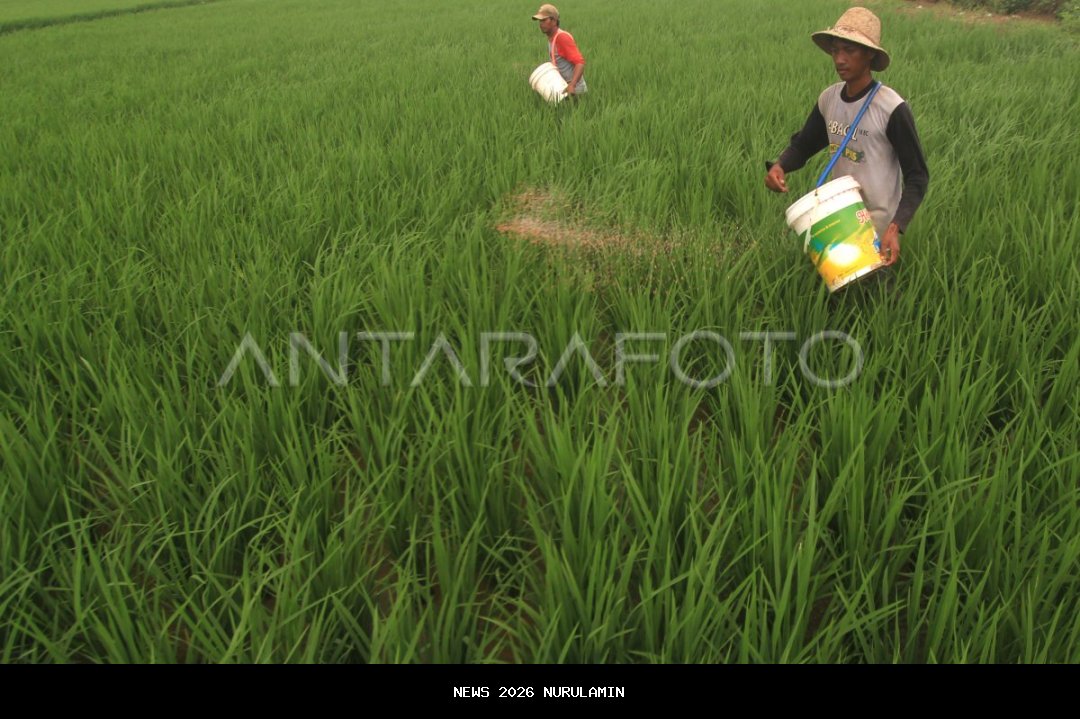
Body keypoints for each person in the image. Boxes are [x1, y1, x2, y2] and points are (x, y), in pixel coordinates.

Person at [764, 7, 928, 266]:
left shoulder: (891, 108)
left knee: (880, 296)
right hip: (840, 218)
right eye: (835, 50)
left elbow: (918, 176)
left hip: (878, 225)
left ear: (870, 55)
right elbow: (804, 144)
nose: (840, 59)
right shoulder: (829, 99)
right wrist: (779, 166)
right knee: (836, 291)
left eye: (849, 51)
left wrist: (896, 228)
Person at [532, 4, 587, 97]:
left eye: (544, 20)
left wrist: (572, 85)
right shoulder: (552, 38)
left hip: (574, 92)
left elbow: (580, 63)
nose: (541, 24)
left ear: (554, 21)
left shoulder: (561, 38)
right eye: (540, 21)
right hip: (563, 88)